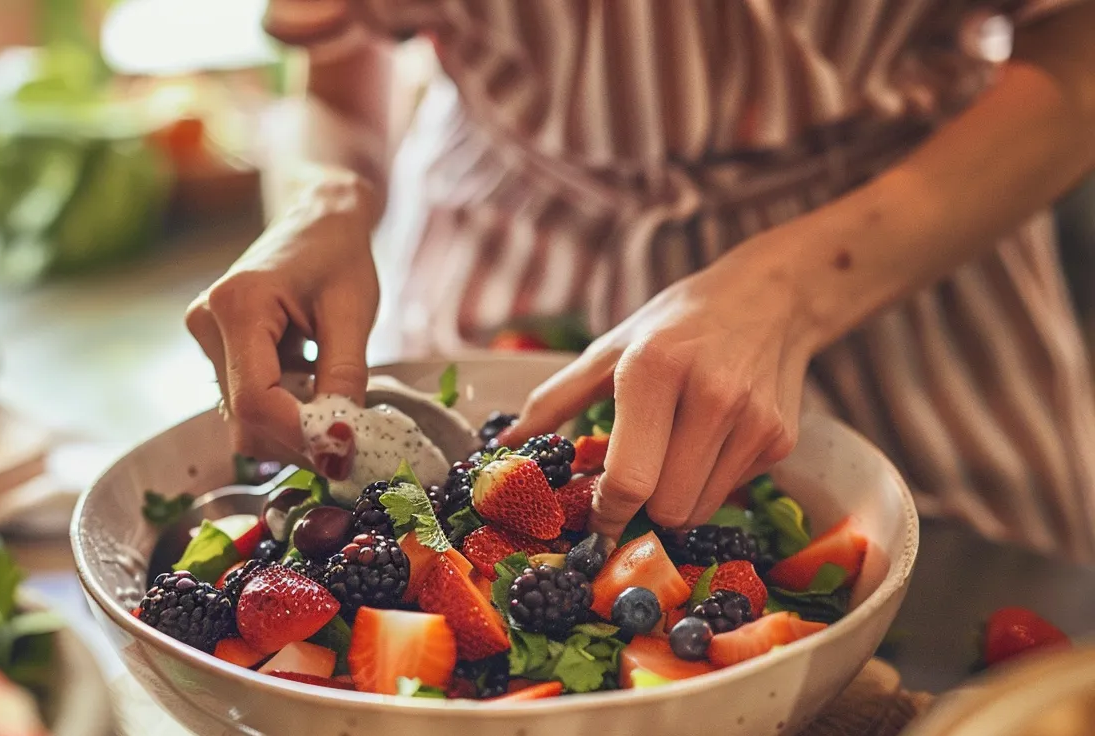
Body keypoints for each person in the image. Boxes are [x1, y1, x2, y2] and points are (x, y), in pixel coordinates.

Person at [187, 1, 1095, 560]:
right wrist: (324, 196)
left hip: (901, 255)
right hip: (517, 248)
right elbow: (336, 82)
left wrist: (793, 287)